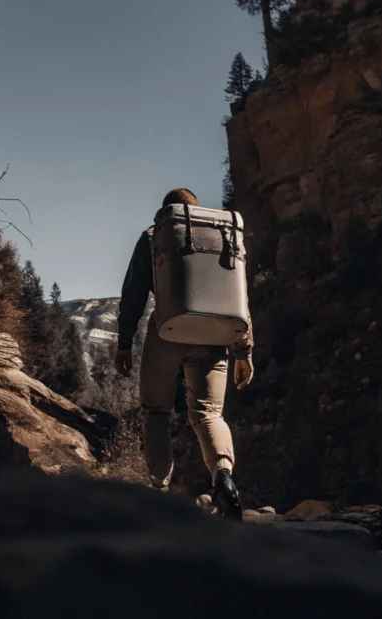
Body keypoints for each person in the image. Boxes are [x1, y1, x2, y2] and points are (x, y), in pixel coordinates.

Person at [114, 188, 254, 519]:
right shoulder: (223, 233)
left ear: (166, 212)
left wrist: (124, 343)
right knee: (208, 413)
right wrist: (243, 351)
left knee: (157, 411)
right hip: (215, 336)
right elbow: (239, 297)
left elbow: (133, 293)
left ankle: (159, 488)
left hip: (167, 329)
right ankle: (223, 476)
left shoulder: (154, 235)